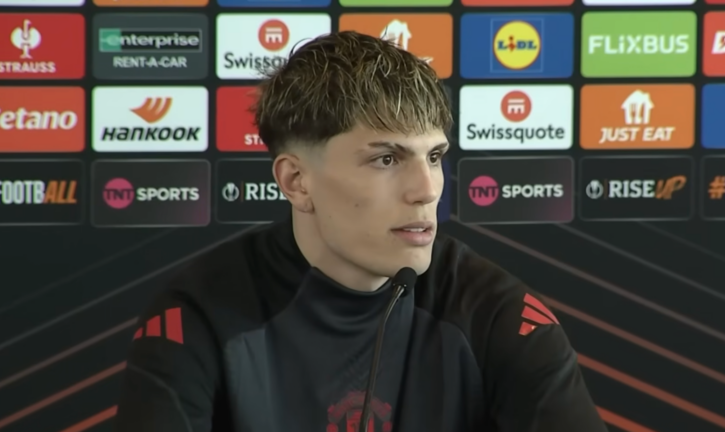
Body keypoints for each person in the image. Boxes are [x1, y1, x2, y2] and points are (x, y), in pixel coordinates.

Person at [114, 31, 607, 432]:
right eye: (386, 159)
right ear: (296, 181)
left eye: (434, 157)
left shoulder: (496, 313)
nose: (426, 190)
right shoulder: (199, 315)